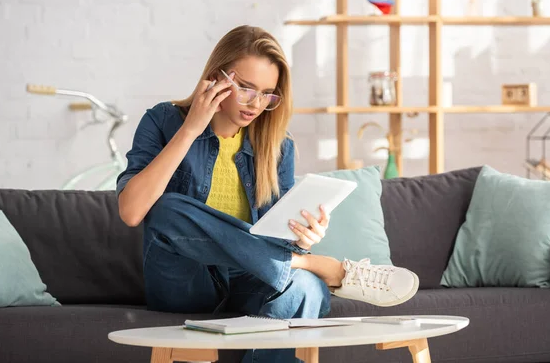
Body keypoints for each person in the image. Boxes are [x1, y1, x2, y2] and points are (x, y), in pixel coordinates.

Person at [116, 25, 419, 363]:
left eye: (267, 93)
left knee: (306, 287)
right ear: (217, 78)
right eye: (245, 88)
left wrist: (303, 241)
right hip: (184, 283)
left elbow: (278, 235)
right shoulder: (163, 121)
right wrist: (191, 129)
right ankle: (308, 266)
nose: (256, 104)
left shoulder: (278, 147)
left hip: (253, 279)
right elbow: (131, 212)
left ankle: (299, 264)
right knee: (167, 210)